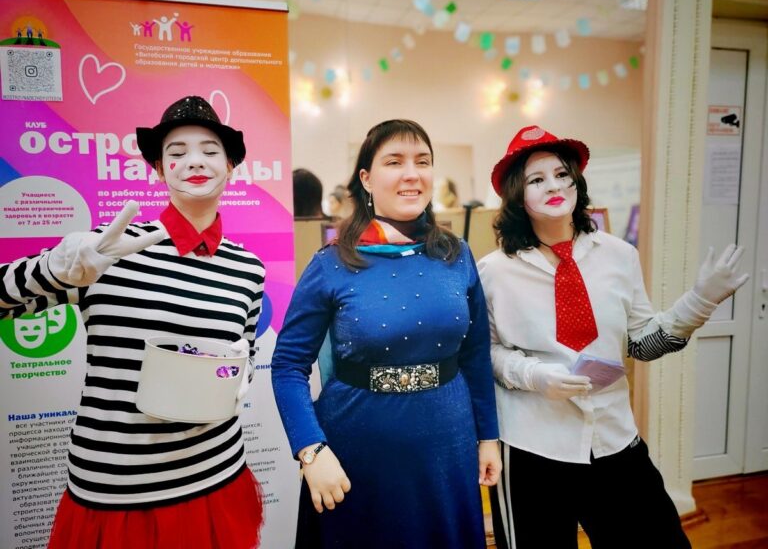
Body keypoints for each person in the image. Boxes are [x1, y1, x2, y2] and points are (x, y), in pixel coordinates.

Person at [1, 96, 266, 549]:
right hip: (116, 489)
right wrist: (55, 269)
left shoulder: (248, 268)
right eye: (177, 153)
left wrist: (240, 373)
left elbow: (245, 348)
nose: (194, 161)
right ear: (160, 170)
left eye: (209, 150)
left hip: (216, 472)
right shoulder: (107, 250)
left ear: (230, 167)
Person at [477, 125, 749, 549]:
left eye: (562, 174)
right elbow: (485, 353)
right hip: (532, 447)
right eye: (537, 179)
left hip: (613, 436)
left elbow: (640, 344)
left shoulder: (619, 255)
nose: (554, 186)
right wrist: (534, 376)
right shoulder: (494, 270)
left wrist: (700, 302)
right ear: (517, 195)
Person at [271, 119, 502, 549]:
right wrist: (310, 449)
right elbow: (287, 366)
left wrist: (488, 436)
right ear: (366, 179)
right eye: (394, 162)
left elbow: (475, 354)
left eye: (422, 161)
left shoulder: (457, 255)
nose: (411, 174)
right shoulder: (332, 262)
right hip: (356, 450)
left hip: (447, 448)